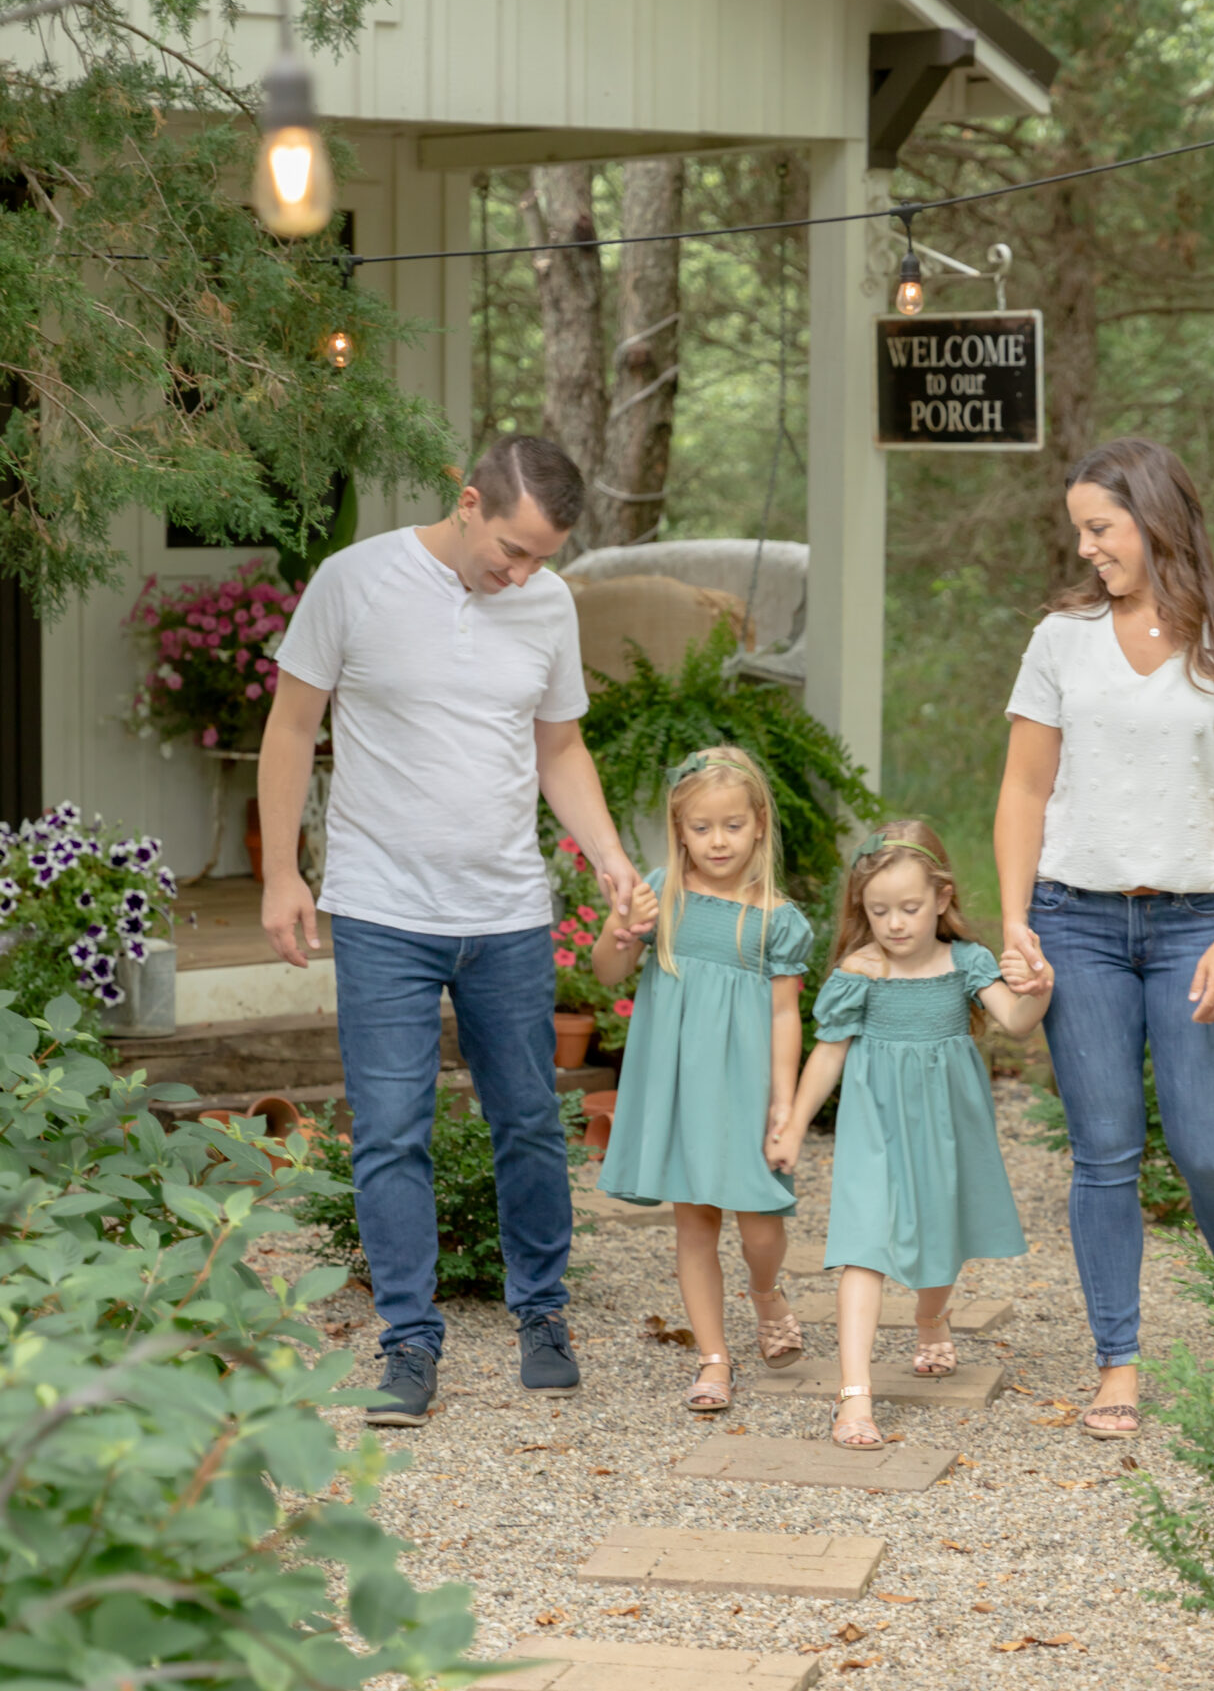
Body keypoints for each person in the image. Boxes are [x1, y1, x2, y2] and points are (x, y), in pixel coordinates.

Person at [257, 433, 639, 1428]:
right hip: (384, 908)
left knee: (529, 1126)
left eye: (542, 556)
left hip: (509, 913)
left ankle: (542, 1316)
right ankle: (407, 1343)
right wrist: (281, 871)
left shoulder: (546, 604)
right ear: (468, 501)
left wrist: (606, 853)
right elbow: (293, 724)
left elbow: (559, 745)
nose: (522, 572)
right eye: (512, 548)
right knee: (391, 1134)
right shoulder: (355, 582)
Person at [994, 435, 1214, 1443]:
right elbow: (1025, 788)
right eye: (1079, 529)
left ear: (1155, 522)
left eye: (1100, 527)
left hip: (1197, 925)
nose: (1086, 548)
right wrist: (1015, 919)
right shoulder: (1061, 640)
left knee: (1211, 1149)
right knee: (1105, 1152)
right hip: (1075, 920)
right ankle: (1117, 1361)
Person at [769, 823, 1051, 1449]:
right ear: (861, 910)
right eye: (878, 911)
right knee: (862, 1245)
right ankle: (855, 1398)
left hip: (948, 1120)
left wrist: (1038, 991)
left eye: (909, 908)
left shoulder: (967, 963)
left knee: (938, 1228)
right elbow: (829, 1052)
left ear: (943, 899)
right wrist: (791, 1122)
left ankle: (931, 1316)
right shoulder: (859, 971)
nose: (894, 924)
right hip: (874, 1124)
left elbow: (1017, 1021)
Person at [591, 746, 814, 1412]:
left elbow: (784, 1013)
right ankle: (713, 1359)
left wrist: (784, 1101)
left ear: (760, 825)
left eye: (733, 825)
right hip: (683, 1084)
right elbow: (606, 973)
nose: (718, 841)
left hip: (747, 1086)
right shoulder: (659, 894)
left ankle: (766, 1290)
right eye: (701, 827)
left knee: (760, 1222)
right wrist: (624, 930)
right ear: (678, 829)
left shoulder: (777, 918)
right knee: (694, 1222)